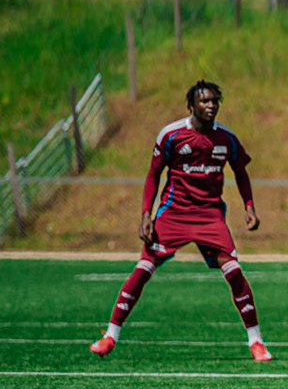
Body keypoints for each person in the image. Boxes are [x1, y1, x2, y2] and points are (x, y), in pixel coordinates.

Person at [89, 80, 271, 363]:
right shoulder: (171, 135)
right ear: (191, 105)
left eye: (214, 101)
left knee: (234, 272)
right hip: (173, 213)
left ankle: (256, 342)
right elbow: (153, 175)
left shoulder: (227, 138)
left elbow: (241, 172)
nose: (211, 105)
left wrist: (249, 207)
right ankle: (110, 336)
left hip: (210, 215)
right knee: (143, 269)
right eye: (205, 101)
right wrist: (146, 215)